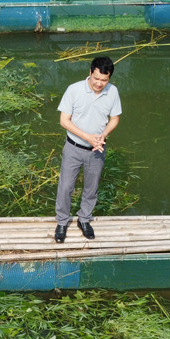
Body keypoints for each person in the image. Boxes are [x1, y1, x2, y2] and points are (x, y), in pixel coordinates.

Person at [54, 56, 121, 243]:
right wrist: (87, 137)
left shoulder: (113, 92)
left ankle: (84, 219)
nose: (99, 83)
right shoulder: (74, 89)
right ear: (90, 72)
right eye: (96, 78)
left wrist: (103, 135)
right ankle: (62, 222)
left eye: (104, 80)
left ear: (109, 78)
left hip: (97, 149)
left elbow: (115, 118)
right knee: (66, 186)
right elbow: (64, 121)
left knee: (91, 187)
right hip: (73, 147)